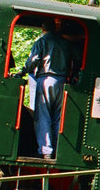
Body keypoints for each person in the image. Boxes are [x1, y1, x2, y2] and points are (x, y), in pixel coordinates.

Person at [23, 18, 73, 160]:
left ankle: (46, 150)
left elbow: (33, 60)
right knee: (58, 118)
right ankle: (58, 150)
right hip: (62, 81)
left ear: (43, 28)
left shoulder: (42, 41)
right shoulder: (65, 42)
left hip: (45, 79)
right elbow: (77, 57)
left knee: (43, 116)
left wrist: (23, 71)